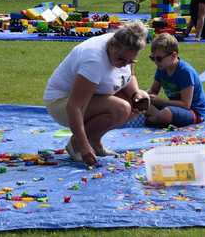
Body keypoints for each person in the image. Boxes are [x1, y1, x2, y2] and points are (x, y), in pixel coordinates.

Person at [43, 22, 151, 165]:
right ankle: (76, 144)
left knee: (137, 103)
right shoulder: (94, 61)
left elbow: (129, 76)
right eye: (121, 60)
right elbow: (74, 107)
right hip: (60, 102)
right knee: (121, 108)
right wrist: (83, 145)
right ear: (112, 46)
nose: (125, 64)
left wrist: (136, 93)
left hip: (89, 98)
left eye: (130, 61)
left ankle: (94, 140)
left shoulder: (125, 45)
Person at [145, 33, 205, 127]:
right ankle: (156, 117)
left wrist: (161, 102)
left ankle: (154, 118)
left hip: (193, 112)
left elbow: (186, 104)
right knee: (142, 104)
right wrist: (143, 96)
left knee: (166, 114)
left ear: (173, 55)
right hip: (174, 108)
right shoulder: (162, 68)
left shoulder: (185, 72)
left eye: (159, 58)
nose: (155, 62)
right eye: (152, 58)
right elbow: (153, 91)